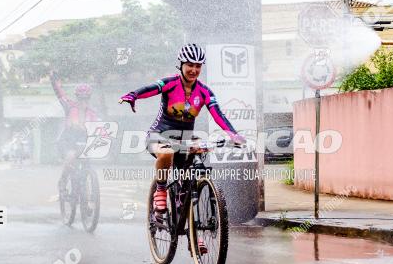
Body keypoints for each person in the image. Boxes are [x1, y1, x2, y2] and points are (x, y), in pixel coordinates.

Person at [118, 43, 246, 217]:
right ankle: (161, 190)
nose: (193, 69)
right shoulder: (170, 83)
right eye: (190, 65)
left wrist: (234, 135)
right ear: (181, 65)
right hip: (159, 135)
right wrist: (133, 95)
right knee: (167, 153)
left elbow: (218, 115)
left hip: (185, 138)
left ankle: (193, 228)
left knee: (192, 171)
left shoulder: (204, 92)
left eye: (198, 66)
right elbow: (150, 89)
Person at [50, 70, 100, 166]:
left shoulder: (92, 112)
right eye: (80, 98)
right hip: (67, 140)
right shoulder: (69, 106)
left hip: (82, 142)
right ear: (76, 97)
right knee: (71, 156)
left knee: (88, 159)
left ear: (89, 98)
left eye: (86, 98)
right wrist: (53, 81)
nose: (83, 101)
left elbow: (97, 128)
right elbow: (60, 94)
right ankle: (62, 180)